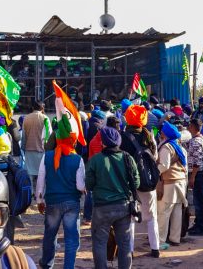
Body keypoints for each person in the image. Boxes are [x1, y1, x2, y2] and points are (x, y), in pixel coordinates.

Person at [86, 127, 140, 269]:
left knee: (99, 243)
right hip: (123, 207)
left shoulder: (95, 160)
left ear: (103, 142)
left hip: (101, 208)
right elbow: (136, 183)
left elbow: (89, 184)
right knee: (124, 244)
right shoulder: (128, 158)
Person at [36, 113, 85, 269]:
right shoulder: (77, 159)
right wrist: (85, 189)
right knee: (71, 240)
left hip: (52, 202)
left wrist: (39, 200)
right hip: (72, 203)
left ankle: (47, 264)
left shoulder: (47, 156)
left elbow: (40, 181)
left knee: (50, 236)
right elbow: (79, 186)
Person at [120, 104, 161, 257]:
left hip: (129, 183)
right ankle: (155, 249)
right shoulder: (149, 136)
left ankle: (129, 250)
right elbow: (155, 158)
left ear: (128, 119)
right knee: (152, 218)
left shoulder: (123, 137)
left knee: (130, 218)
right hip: (148, 183)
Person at [156, 121, 188, 246]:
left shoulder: (166, 147)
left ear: (165, 133)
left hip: (170, 183)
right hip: (181, 182)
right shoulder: (180, 148)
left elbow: (164, 166)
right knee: (177, 212)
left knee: (164, 212)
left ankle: (160, 241)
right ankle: (175, 239)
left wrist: (154, 171)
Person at [22, 101, 51, 194]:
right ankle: (41, 192)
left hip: (29, 149)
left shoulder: (26, 118)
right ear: (42, 109)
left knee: (30, 174)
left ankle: (31, 192)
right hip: (42, 150)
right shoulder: (45, 118)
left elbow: (24, 136)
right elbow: (49, 134)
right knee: (41, 174)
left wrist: (23, 147)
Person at [187, 118, 203, 236]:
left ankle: (201, 227)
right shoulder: (199, 139)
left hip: (198, 174)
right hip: (199, 173)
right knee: (199, 201)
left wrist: (193, 177)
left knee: (199, 202)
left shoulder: (196, 141)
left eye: (190, 125)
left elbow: (197, 161)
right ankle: (198, 224)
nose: (188, 127)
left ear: (194, 127)